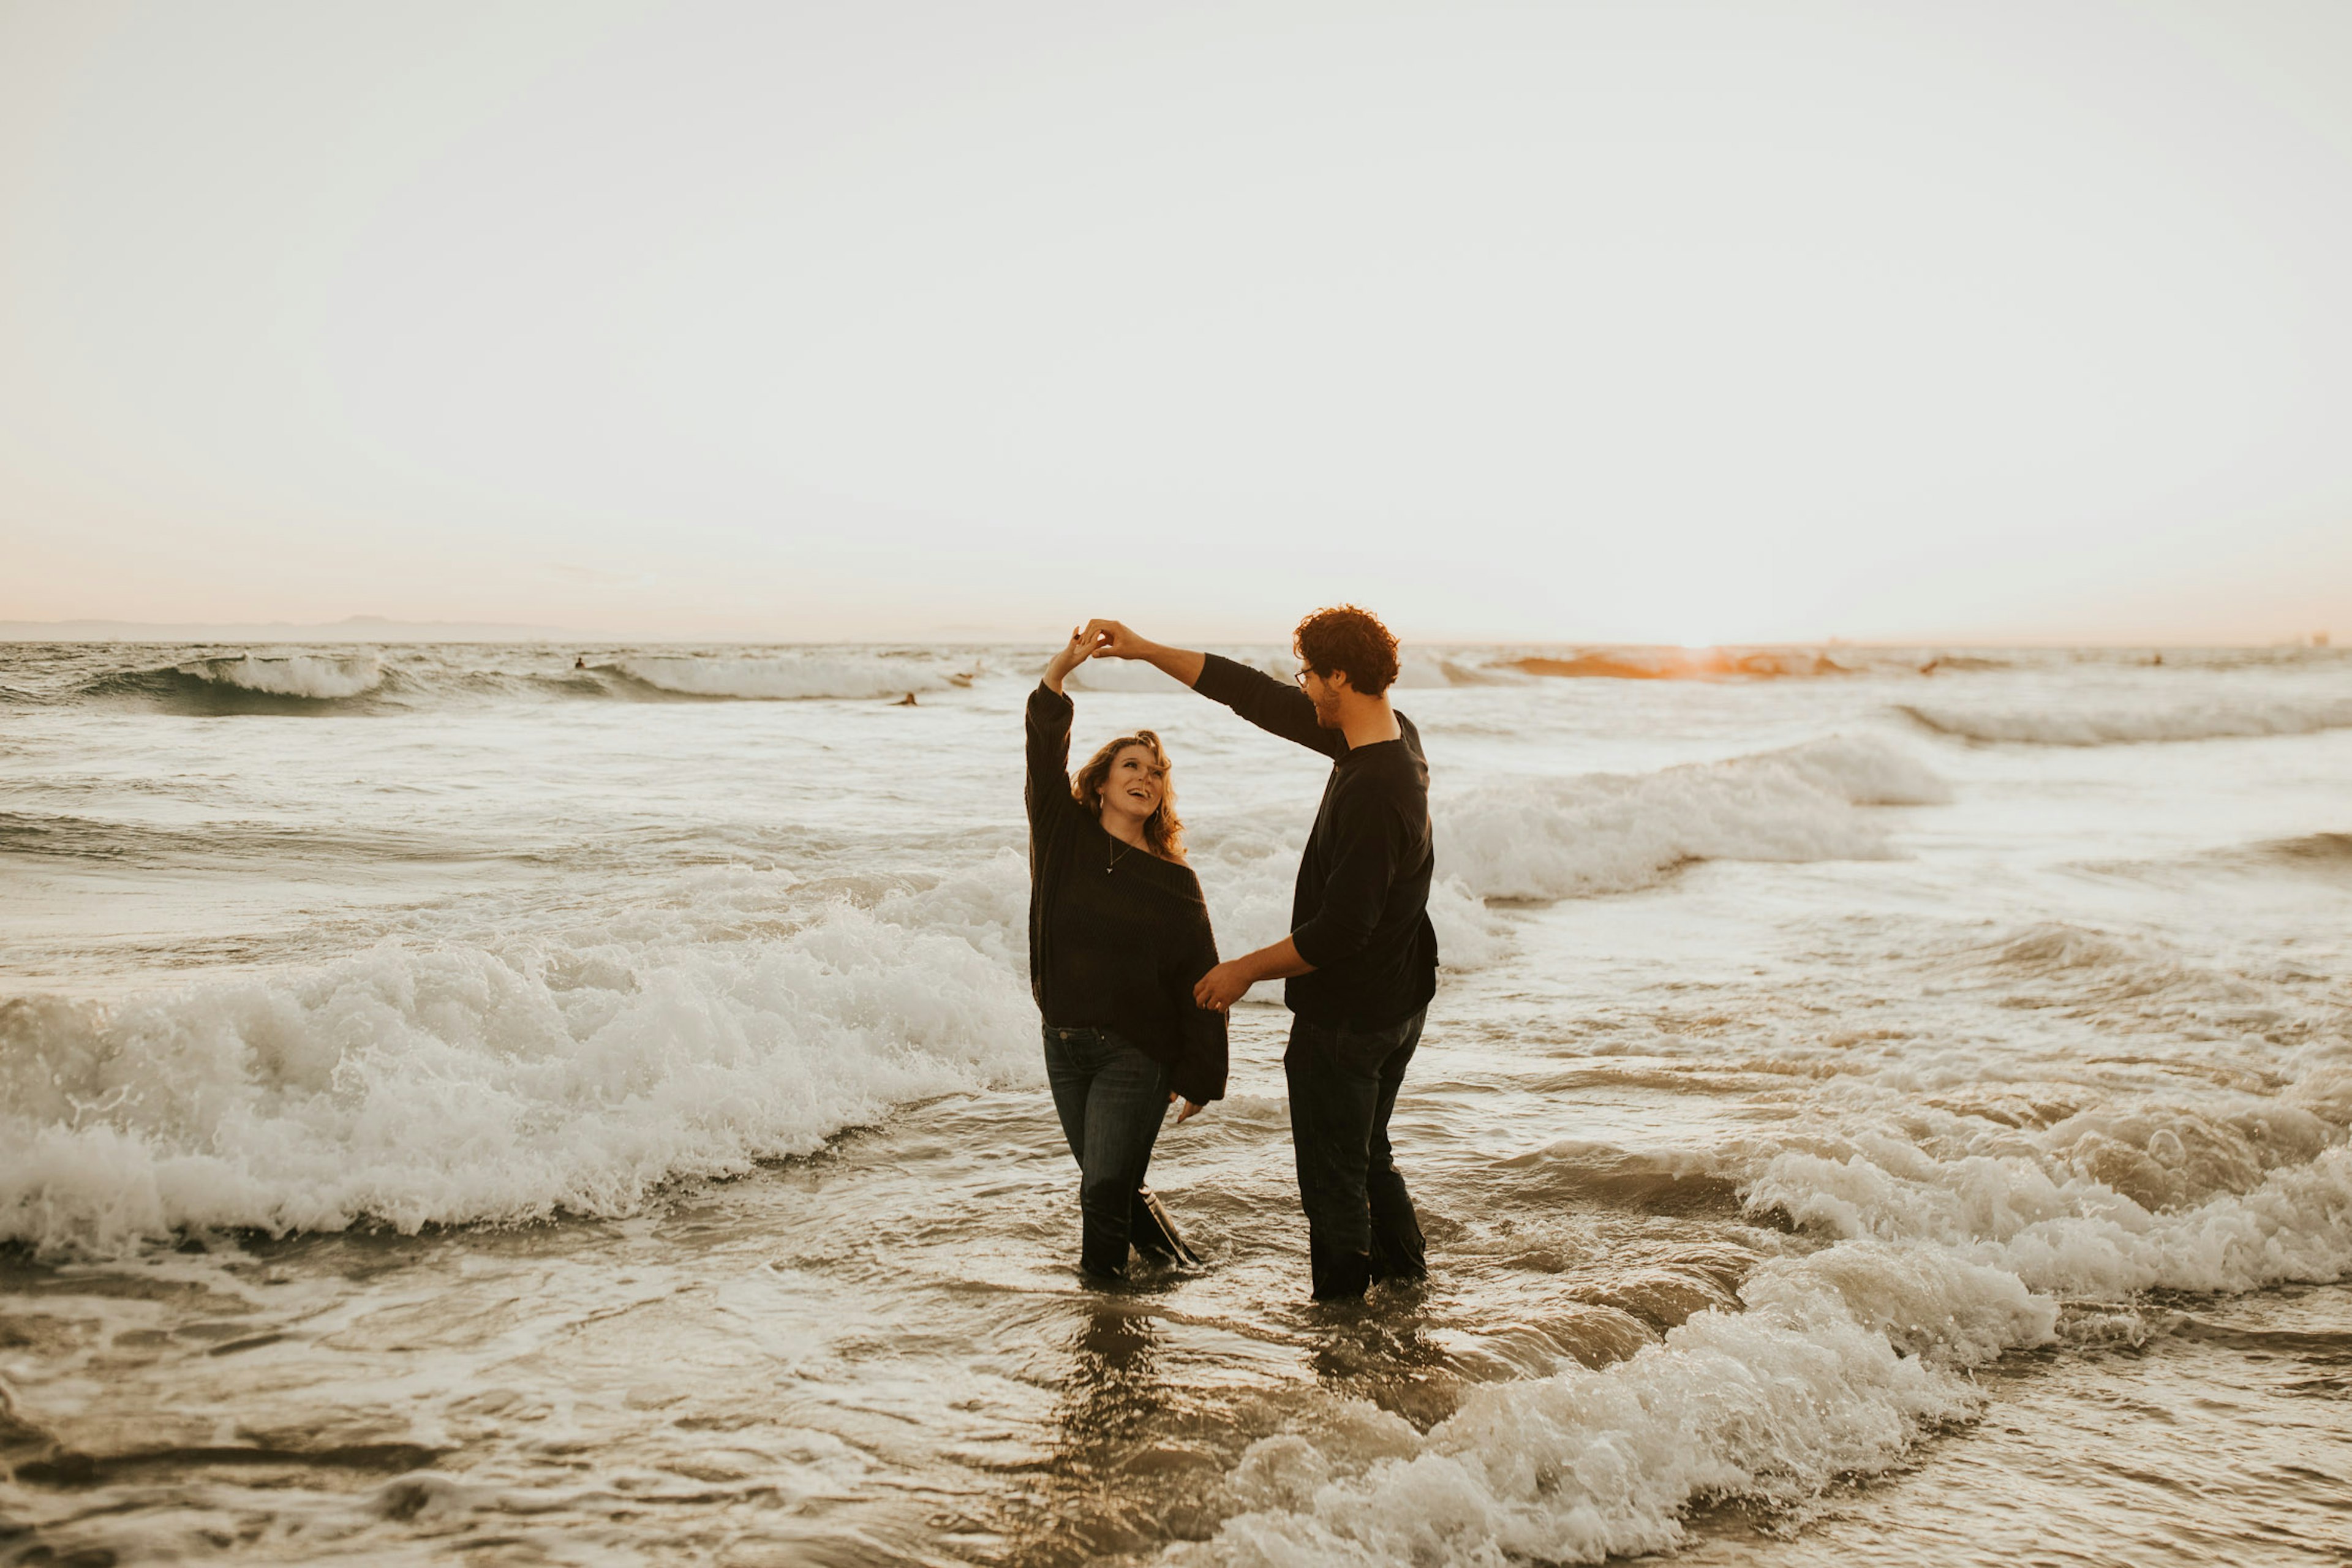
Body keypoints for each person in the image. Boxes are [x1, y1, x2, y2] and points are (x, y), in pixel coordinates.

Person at [1083, 607, 1436, 1301]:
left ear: (1339, 676)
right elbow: (1251, 695)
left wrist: (1242, 970)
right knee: (1368, 1157)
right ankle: (1408, 1287)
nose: (1299, 686)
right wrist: (1147, 649)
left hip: (1350, 1021)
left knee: (1334, 1183)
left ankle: (1341, 1330)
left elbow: (1341, 931)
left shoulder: (1374, 787)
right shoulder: (1388, 738)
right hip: (1399, 1000)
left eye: (1306, 673)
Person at [1027, 626, 1227, 1282]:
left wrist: (1201, 1071)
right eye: (1132, 766)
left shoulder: (1175, 881)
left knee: (1103, 1190)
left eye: (1156, 771)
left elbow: (1200, 979)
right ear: (1103, 782)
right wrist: (1060, 670)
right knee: (1108, 1181)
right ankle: (1181, 1268)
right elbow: (1041, 751)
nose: (1146, 777)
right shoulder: (1064, 837)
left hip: (1135, 1052)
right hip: (1064, 1044)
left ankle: (1106, 1313)